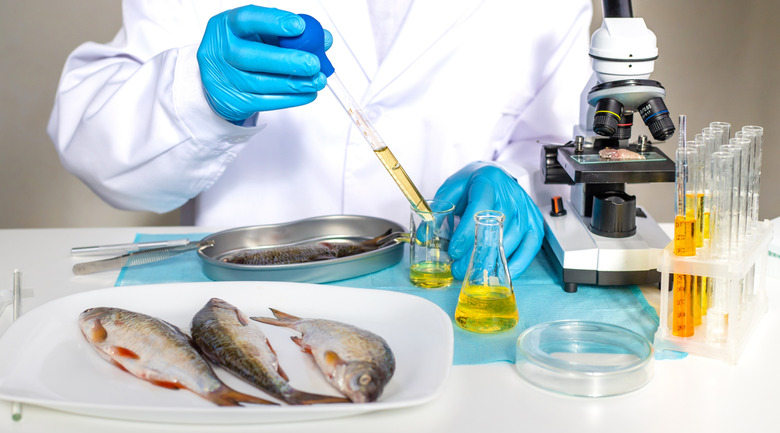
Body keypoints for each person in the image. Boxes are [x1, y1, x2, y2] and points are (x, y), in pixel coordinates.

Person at [47, 1, 594, 279]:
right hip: (242, 300)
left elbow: (555, 156)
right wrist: (196, 93)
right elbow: (93, 146)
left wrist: (515, 183)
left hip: (442, 292)